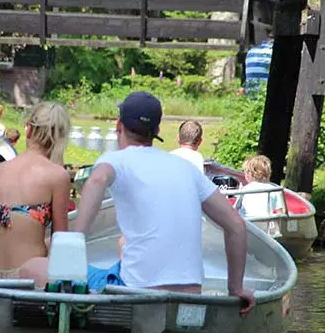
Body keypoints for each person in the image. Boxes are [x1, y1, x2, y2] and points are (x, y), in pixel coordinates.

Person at [74, 91, 255, 316]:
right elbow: (236, 226)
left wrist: (73, 243)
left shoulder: (115, 160)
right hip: (190, 295)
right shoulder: (187, 169)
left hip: (137, 292)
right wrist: (235, 288)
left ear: (118, 125)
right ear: (157, 131)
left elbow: (98, 179)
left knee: (36, 268)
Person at [0, 102, 71, 283]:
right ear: (61, 136)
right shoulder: (57, 175)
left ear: (29, 130)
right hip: (27, 279)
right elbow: (61, 242)